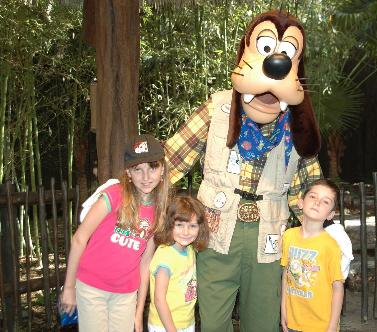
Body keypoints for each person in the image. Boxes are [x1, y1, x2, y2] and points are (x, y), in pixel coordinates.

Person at [164, 10, 322, 332]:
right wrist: (127, 191)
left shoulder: (295, 126)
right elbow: (171, 160)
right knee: (212, 321)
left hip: (269, 232)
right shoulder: (219, 108)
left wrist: (327, 232)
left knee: (262, 321)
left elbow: (309, 190)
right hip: (216, 231)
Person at [60, 134, 170, 332]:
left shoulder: (159, 210)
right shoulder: (114, 195)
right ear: (128, 172)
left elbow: (145, 262)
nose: (146, 177)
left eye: (152, 167)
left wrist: (138, 312)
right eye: (138, 169)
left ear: (162, 169)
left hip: (126, 293)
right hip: (92, 287)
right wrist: (69, 288)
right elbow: (79, 238)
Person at [281, 179, 345, 332]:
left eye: (325, 201)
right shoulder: (288, 236)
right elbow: (286, 275)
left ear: (330, 214)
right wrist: (283, 310)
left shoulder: (330, 245)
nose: (317, 202)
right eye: (313, 197)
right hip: (293, 323)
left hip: (320, 326)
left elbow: (338, 287)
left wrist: (332, 327)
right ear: (301, 202)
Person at [147, 196, 209, 332]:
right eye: (180, 225)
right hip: (164, 325)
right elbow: (159, 299)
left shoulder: (189, 249)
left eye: (192, 226)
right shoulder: (165, 256)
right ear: (170, 224)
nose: (186, 232)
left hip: (186, 322)